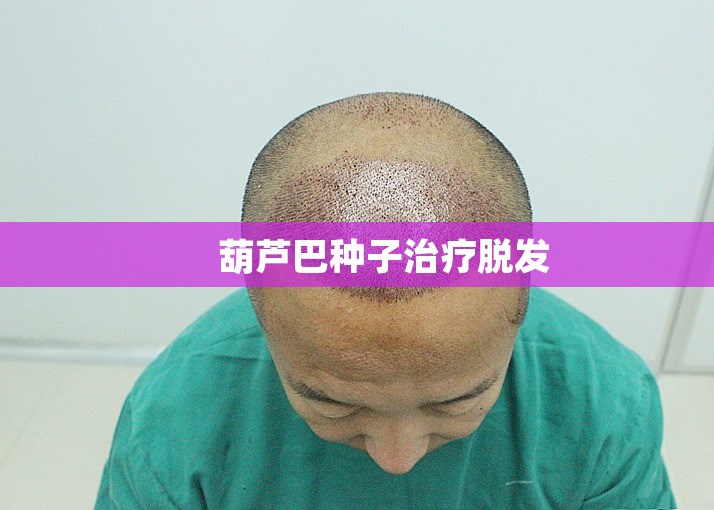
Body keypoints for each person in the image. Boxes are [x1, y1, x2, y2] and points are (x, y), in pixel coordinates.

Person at [95, 93, 676, 509]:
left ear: (522, 305)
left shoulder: (605, 408)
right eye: (335, 405)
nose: (397, 458)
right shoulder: (173, 425)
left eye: (455, 402)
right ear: (259, 311)